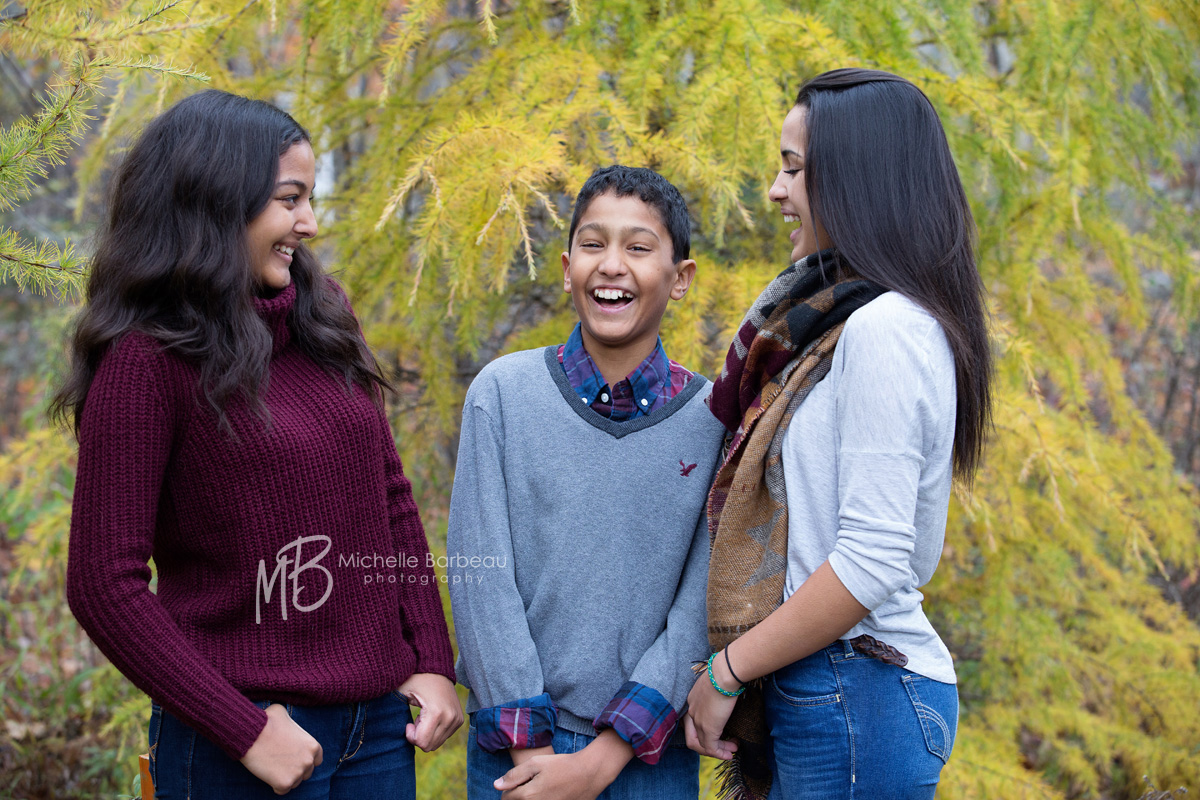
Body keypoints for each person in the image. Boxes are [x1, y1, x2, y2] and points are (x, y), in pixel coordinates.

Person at [53, 90, 461, 799]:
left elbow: (387, 494)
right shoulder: (146, 363)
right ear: (216, 201)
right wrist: (242, 729)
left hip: (377, 735)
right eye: (288, 199)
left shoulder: (323, 313)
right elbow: (103, 583)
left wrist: (429, 656)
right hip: (235, 747)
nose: (308, 221)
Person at [683, 68, 993, 799]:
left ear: (857, 178)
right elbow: (906, 546)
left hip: (858, 686)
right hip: (842, 686)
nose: (775, 190)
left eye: (793, 168)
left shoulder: (887, 328)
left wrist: (728, 670)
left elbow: (879, 557)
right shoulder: (849, 326)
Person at [446, 165, 726, 800]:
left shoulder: (713, 420)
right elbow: (479, 574)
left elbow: (701, 601)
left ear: (680, 278)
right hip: (515, 746)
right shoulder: (503, 395)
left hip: (647, 753)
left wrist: (602, 759)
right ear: (568, 264)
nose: (612, 265)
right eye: (594, 245)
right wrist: (533, 747)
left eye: (638, 247)